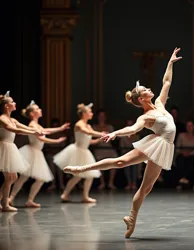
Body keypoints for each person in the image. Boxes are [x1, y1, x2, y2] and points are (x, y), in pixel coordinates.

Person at [64, 48, 182, 238]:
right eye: (145, 89)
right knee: (120, 162)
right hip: (157, 143)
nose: (149, 89)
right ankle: (80, 169)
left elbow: (166, 82)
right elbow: (133, 129)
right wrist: (115, 134)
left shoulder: (160, 104)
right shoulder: (146, 116)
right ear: (142, 99)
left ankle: (131, 218)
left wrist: (170, 62)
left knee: (146, 188)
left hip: (163, 146)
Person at [9, 101, 69, 208]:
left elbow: (46, 130)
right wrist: (56, 141)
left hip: (36, 153)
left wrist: (60, 129)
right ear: (32, 114)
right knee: (25, 177)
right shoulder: (32, 124)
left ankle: (25, 199)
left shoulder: (37, 124)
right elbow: (41, 137)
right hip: (32, 151)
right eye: (37, 109)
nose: (40, 110)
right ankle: (12, 198)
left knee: (29, 177)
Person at [0, 92, 44, 212]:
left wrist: (35, 130)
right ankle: (5, 204)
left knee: (13, 177)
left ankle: (3, 201)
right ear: (6, 106)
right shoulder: (2, 119)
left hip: (10, 147)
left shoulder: (12, 119)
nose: (15, 103)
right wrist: (34, 133)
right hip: (3, 147)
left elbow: (25, 127)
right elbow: (15, 130)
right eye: (12, 102)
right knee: (9, 177)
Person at [54, 103, 105, 203]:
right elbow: (87, 133)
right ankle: (65, 194)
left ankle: (84, 196)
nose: (92, 113)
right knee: (78, 175)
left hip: (85, 151)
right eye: (90, 112)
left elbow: (90, 141)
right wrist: (100, 133)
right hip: (77, 151)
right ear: (84, 113)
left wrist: (100, 139)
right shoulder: (79, 124)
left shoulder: (88, 125)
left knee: (89, 175)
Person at [93, 109, 118, 190]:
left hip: (108, 147)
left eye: (103, 116)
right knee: (99, 162)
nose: (102, 117)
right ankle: (102, 182)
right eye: (100, 116)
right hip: (99, 147)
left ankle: (111, 182)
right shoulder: (94, 127)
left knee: (115, 160)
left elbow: (114, 138)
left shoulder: (109, 127)